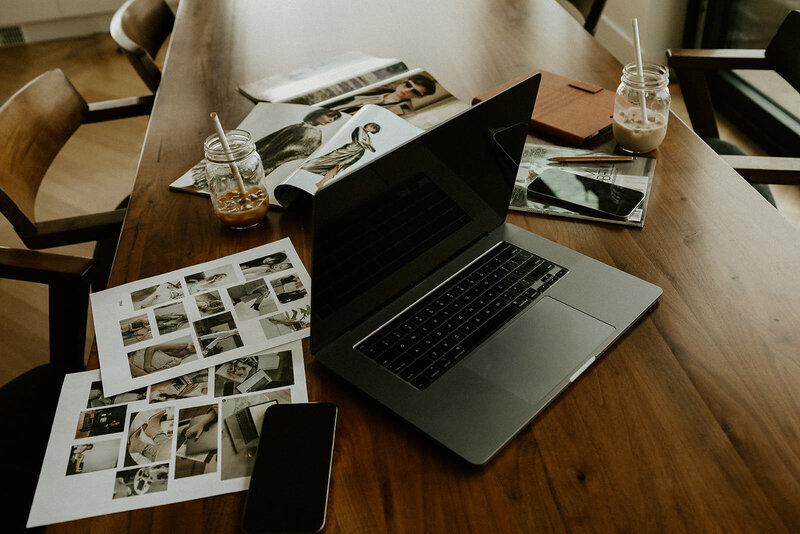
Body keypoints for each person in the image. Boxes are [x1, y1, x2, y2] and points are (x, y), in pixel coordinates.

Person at [255, 109, 343, 175]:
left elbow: (297, 152)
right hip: (264, 160)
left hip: (275, 165)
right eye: (329, 116)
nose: (331, 120)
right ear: (318, 114)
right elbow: (269, 141)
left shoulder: (314, 132)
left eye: (334, 119)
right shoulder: (299, 126)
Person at [302, 123, 381, 189]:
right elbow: (359, 140)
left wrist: (368, 145)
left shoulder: (368, 136)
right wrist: (367, 145)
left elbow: (373, 149)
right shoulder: (360, 128)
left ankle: (321, 183)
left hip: (358, 153)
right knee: (329, 159)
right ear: (368, 125)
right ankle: (305, 166)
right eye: (371, 126)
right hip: (350, 149)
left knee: (339, 167)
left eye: (373, 129)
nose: (371, 128)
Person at [328, 74, 437, 115]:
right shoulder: (379, 88)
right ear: (405, 81)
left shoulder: (407, 113)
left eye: (415, 91)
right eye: (408, 85)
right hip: (327, 113)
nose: (407, 90)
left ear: (420, 96)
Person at [128, 340, 196, 377]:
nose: (194, 345)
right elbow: (152, 347)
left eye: (195, 347)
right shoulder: (183, 344)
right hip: (141, 357)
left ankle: (130, 365)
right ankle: (130, 365)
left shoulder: (178, 361)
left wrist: (151, 370)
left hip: (144, 368)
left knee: (149, 376)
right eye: (194, 344)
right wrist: (147, 365)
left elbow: (159, 372)